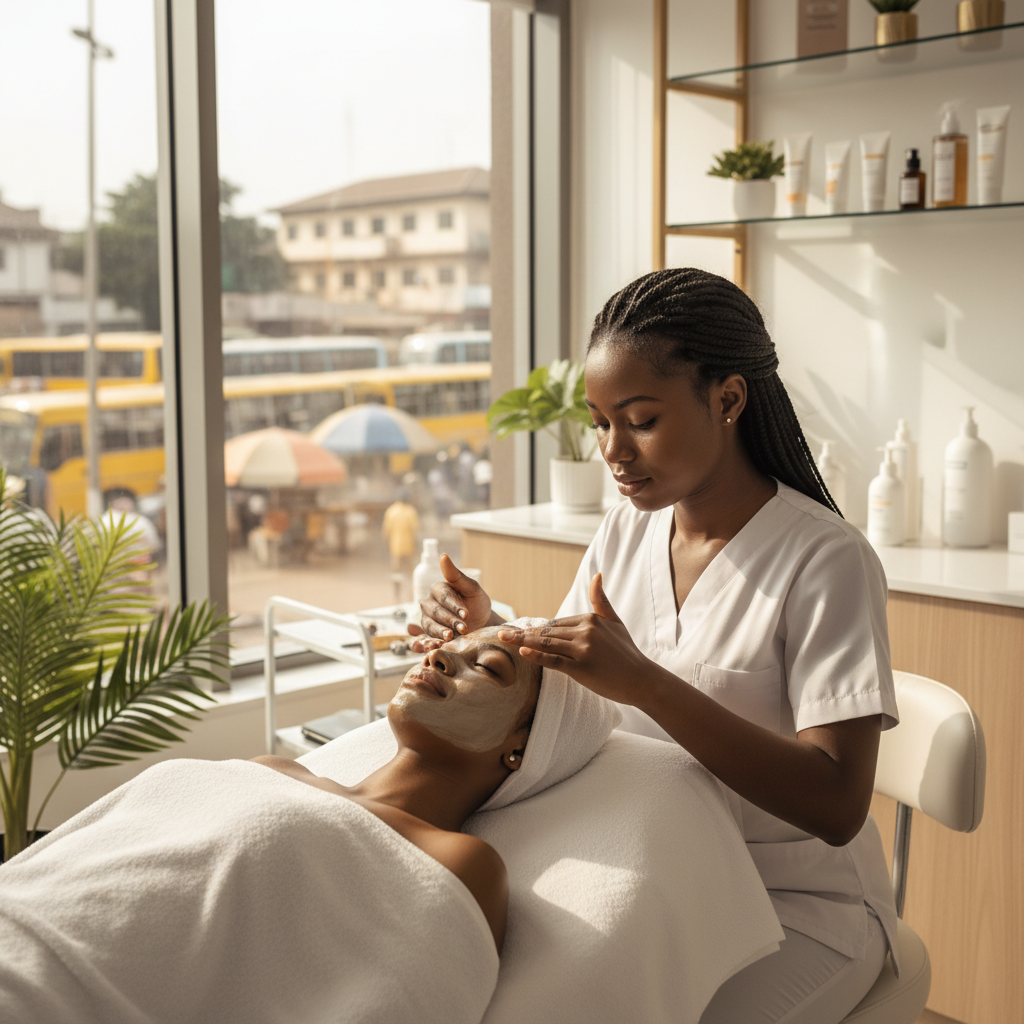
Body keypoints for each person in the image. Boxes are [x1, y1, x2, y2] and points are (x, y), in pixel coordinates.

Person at [410, 267, 900, 1024]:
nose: (614, 450)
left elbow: (836, 805)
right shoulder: (627, 530)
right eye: (600, 423)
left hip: (793, 905)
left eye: (640, 420)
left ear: (727, 400)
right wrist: (488, 627)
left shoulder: (825, 560)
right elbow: (570, 683)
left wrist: (645, 683)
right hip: (660, 879)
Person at [0, 629, 541, 1024]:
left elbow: (401, 1002)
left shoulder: (458, 861)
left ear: (524, 745)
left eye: (489, 668)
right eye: (451, 645)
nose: (440, 655)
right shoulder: (273, 768)